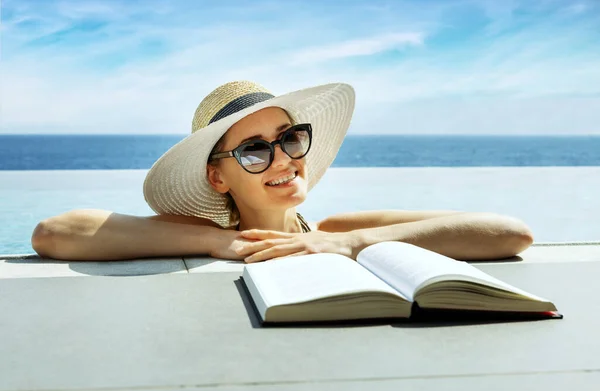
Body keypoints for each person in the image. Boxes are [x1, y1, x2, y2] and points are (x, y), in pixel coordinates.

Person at [31, 81, 534, 262]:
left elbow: (510, 233)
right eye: (254, 150)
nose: (285, 159)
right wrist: (216, 243)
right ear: (217, 177)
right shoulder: (204, 234)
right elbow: (55, 233)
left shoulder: (337, 230)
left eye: (290, 139)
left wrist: (350, 244)